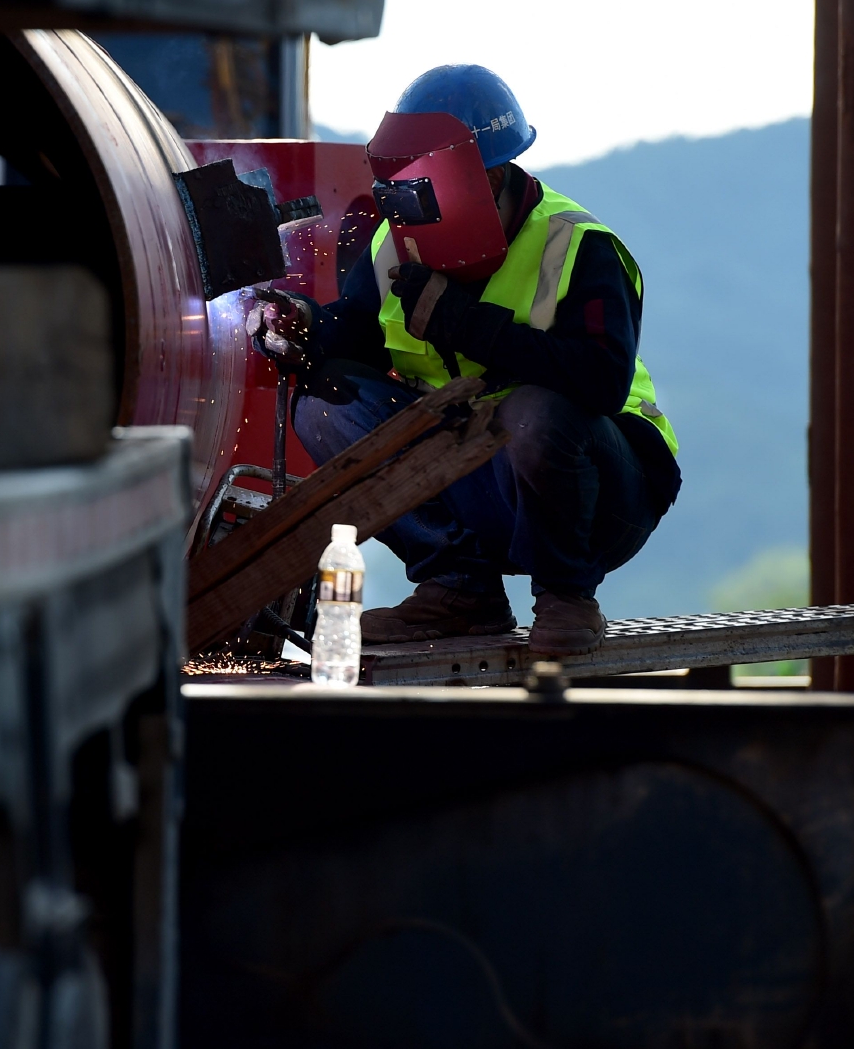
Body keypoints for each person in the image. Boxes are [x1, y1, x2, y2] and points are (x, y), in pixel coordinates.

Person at [247, 65, 680, 653]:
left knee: (534, 412)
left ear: (490, 177)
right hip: (481, 483)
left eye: (424, 190)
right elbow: (356, 335)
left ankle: (567, 597)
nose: (409, 212)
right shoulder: (395, 241)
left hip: (602, 498)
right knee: (328, 402)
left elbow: (600, 382)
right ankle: (460, 589)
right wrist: (303, 326)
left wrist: (462, 322)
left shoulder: (579, 246)